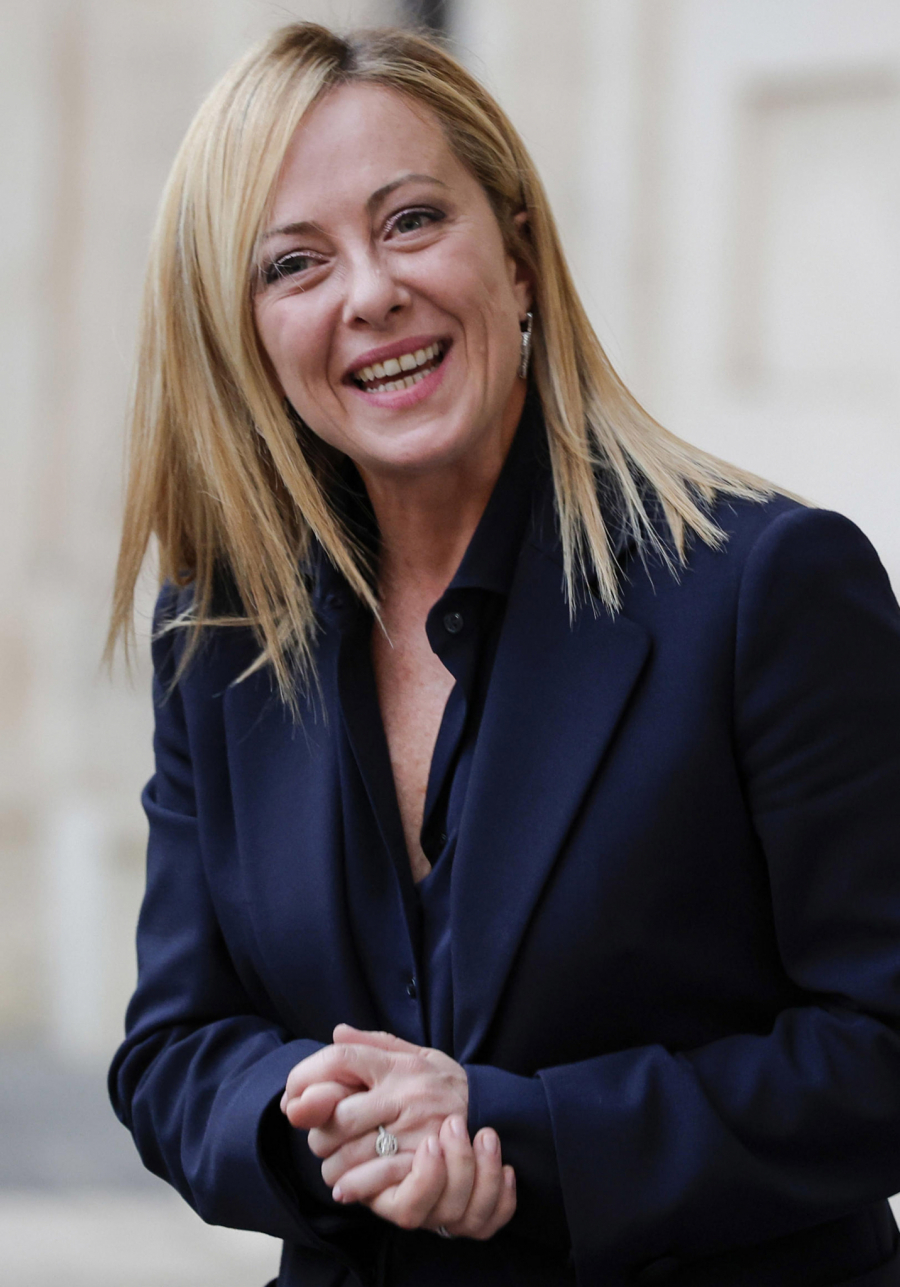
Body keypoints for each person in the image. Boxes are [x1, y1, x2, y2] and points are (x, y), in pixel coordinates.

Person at [107, 20, 900, 1287]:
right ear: (245, 332)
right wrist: (331, 1125)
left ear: (520, 255)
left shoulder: (770, 587)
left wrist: (522, 1133)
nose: (370, 292)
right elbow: (172, 1052)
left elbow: (878, 1050)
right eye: (295, 263)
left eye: (413, 220)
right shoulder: (220, 638)